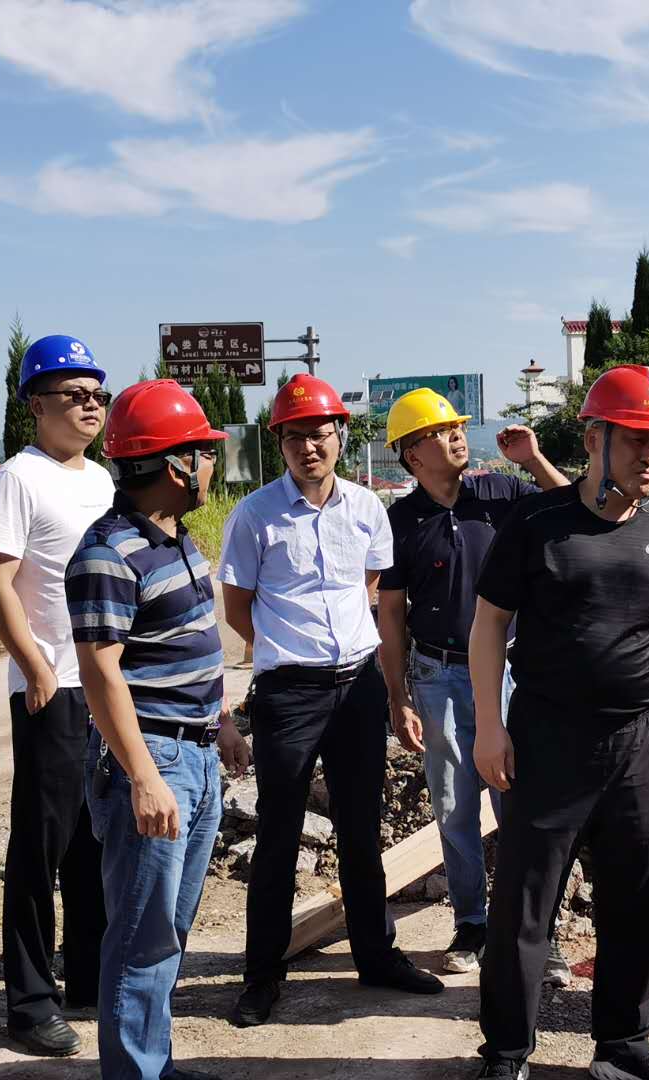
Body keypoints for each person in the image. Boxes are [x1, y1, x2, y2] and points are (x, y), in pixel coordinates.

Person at [470, 365, 649, 1080]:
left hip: (642, 743)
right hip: (547, 739)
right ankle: (508, 1052)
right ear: (593, 439)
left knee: (638, 896)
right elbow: (489, 624)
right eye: (637, 440)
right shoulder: (536, 524)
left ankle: (622, 1046)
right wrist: (489, 725)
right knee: (525, 901)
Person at [218, 373, 443, 1028]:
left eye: (319, 433)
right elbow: (237, 606)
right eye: (294, 437)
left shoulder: (366, 508)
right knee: (279, 832)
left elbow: (368, 586)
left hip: (357, 687)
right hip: (289, 693)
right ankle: (262, 974)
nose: (308, 447)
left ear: (340, 436)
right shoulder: (255, 515)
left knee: (360, 828)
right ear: (280, 444)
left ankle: (376, 955)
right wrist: (287, 648)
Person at [68, 379, 252, 1079]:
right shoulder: (106, 554)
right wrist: (143, 778)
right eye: (204, 453)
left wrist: (222, 721)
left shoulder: (175, 539)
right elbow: (100, 675)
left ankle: (153, 1064)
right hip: (151, 761)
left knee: (167, 929)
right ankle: (135, 1072)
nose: (211, 465)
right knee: (140, 936)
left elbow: (192, 646)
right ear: (176, 466)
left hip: (195, 755)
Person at [376, 387, 569, 977]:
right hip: (437, 675)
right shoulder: (401, 522)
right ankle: (472, 924)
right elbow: (391, 613)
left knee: (521, 803)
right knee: (453, 805)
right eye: (439, 432)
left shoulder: (502, 495)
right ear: (412, 454)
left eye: (456, 427)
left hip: (510, 672)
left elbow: (575, 508)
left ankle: (537, 931)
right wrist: (399, 696)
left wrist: (533, 460)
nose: (456, 436)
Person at [0, 334, 113, 1056]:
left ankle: (90, 975)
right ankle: (31, 1002)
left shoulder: (103, 479)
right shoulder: (18, 480)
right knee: (41, 844)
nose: (90, 406)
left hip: (105, 686)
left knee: (96, 838)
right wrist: (33, 666)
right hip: (51, 687)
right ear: (36, 404)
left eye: (98, 395)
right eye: (74, 395)